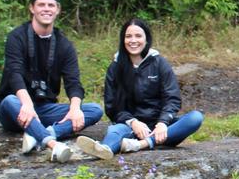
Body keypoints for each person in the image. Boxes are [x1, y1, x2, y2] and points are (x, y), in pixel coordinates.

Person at [0, 0, 103, 162]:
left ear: (58, 9)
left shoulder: (64, 45)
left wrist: (75, 109)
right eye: (41, 4)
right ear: (32, 8)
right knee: (8, 101)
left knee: (94, 110)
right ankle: (53, 144)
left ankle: (40, 133)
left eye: (51, 5)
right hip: (18, 108)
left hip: (44, 109)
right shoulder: (17, 37)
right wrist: (26, 104)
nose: (46, 9)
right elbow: (14, 74)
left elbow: (73, 82)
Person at [75, 17, 203, 160]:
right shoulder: (116, 67)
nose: (133, 40)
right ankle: (105, 149)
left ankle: (141, 144)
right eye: (128, 36)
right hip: (129, 126)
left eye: (138, 36)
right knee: (114, 131)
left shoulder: (159, 63)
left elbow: (172, 99)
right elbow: (112, 107)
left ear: (146, 39)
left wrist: (162, 123)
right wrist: (133, 122)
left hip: (159, 127)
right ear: (123, 40)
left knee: (195, 118)